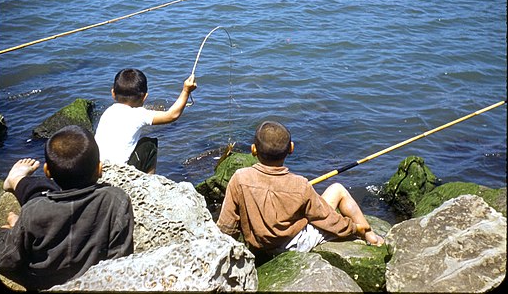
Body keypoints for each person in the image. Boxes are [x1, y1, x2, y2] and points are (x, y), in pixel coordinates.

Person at [217, 120, 384, 261]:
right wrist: (353, 228)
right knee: (338, 189)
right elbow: (326, 218)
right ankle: (371, 236)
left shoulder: (239, 178)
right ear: (291, 148)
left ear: (253, 150)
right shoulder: (300, 184)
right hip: (293, 245)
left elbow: (227, 225)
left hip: (259, 246)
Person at [0, 125, 134, 290]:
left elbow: (9, 259)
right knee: (42, 199)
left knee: (39, 200)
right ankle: (18, 192)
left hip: (41, 283)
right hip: (95, 282)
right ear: (99, 169)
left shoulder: (34, 210)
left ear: (47, 171)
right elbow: (121, 257)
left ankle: (17, 187)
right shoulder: (116, 199)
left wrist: (10, 233)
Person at [95, 68, 197, 174]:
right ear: (144, 97)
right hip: (117, 171)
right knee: (149, 145)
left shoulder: (108, 112)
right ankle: (149, 180)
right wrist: (186, 91)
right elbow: (172, 115)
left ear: (113, 93)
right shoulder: (139, 114)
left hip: (97, 167)